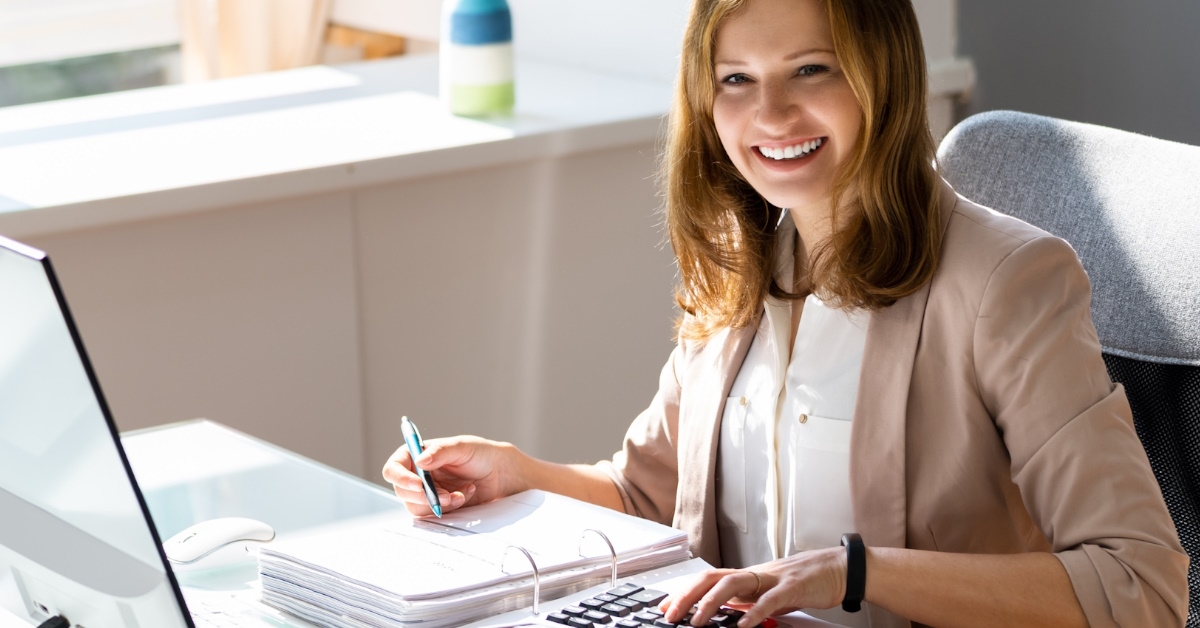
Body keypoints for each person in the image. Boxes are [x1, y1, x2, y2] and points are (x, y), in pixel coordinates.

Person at [383, 0, 1189, 625]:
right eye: (736, 79)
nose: (769, 114)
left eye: (810, 70)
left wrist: (852, 572)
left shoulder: (1005, 282)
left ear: (883, 72)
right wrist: (520, 476)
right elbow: (650, 497)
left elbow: (1139, 585)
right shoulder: (739, 269)